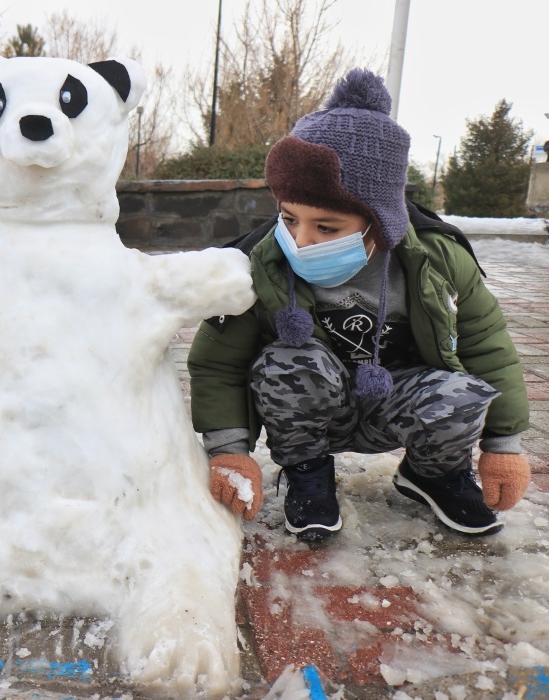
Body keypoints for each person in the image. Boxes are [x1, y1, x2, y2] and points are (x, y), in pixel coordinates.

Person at [188, 68, 531, 540]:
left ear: (380, 219)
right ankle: (308, 473)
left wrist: (504, 445)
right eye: (289, 218)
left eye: (326, 228)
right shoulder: (261, 262)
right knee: (285, 362)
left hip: (397, 400)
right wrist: (229, 450)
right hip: (310, 413)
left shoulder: (439, 259)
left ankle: (432, 474)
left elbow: (488, 346)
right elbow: (218, 362)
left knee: (462, 394)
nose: (301, 241)